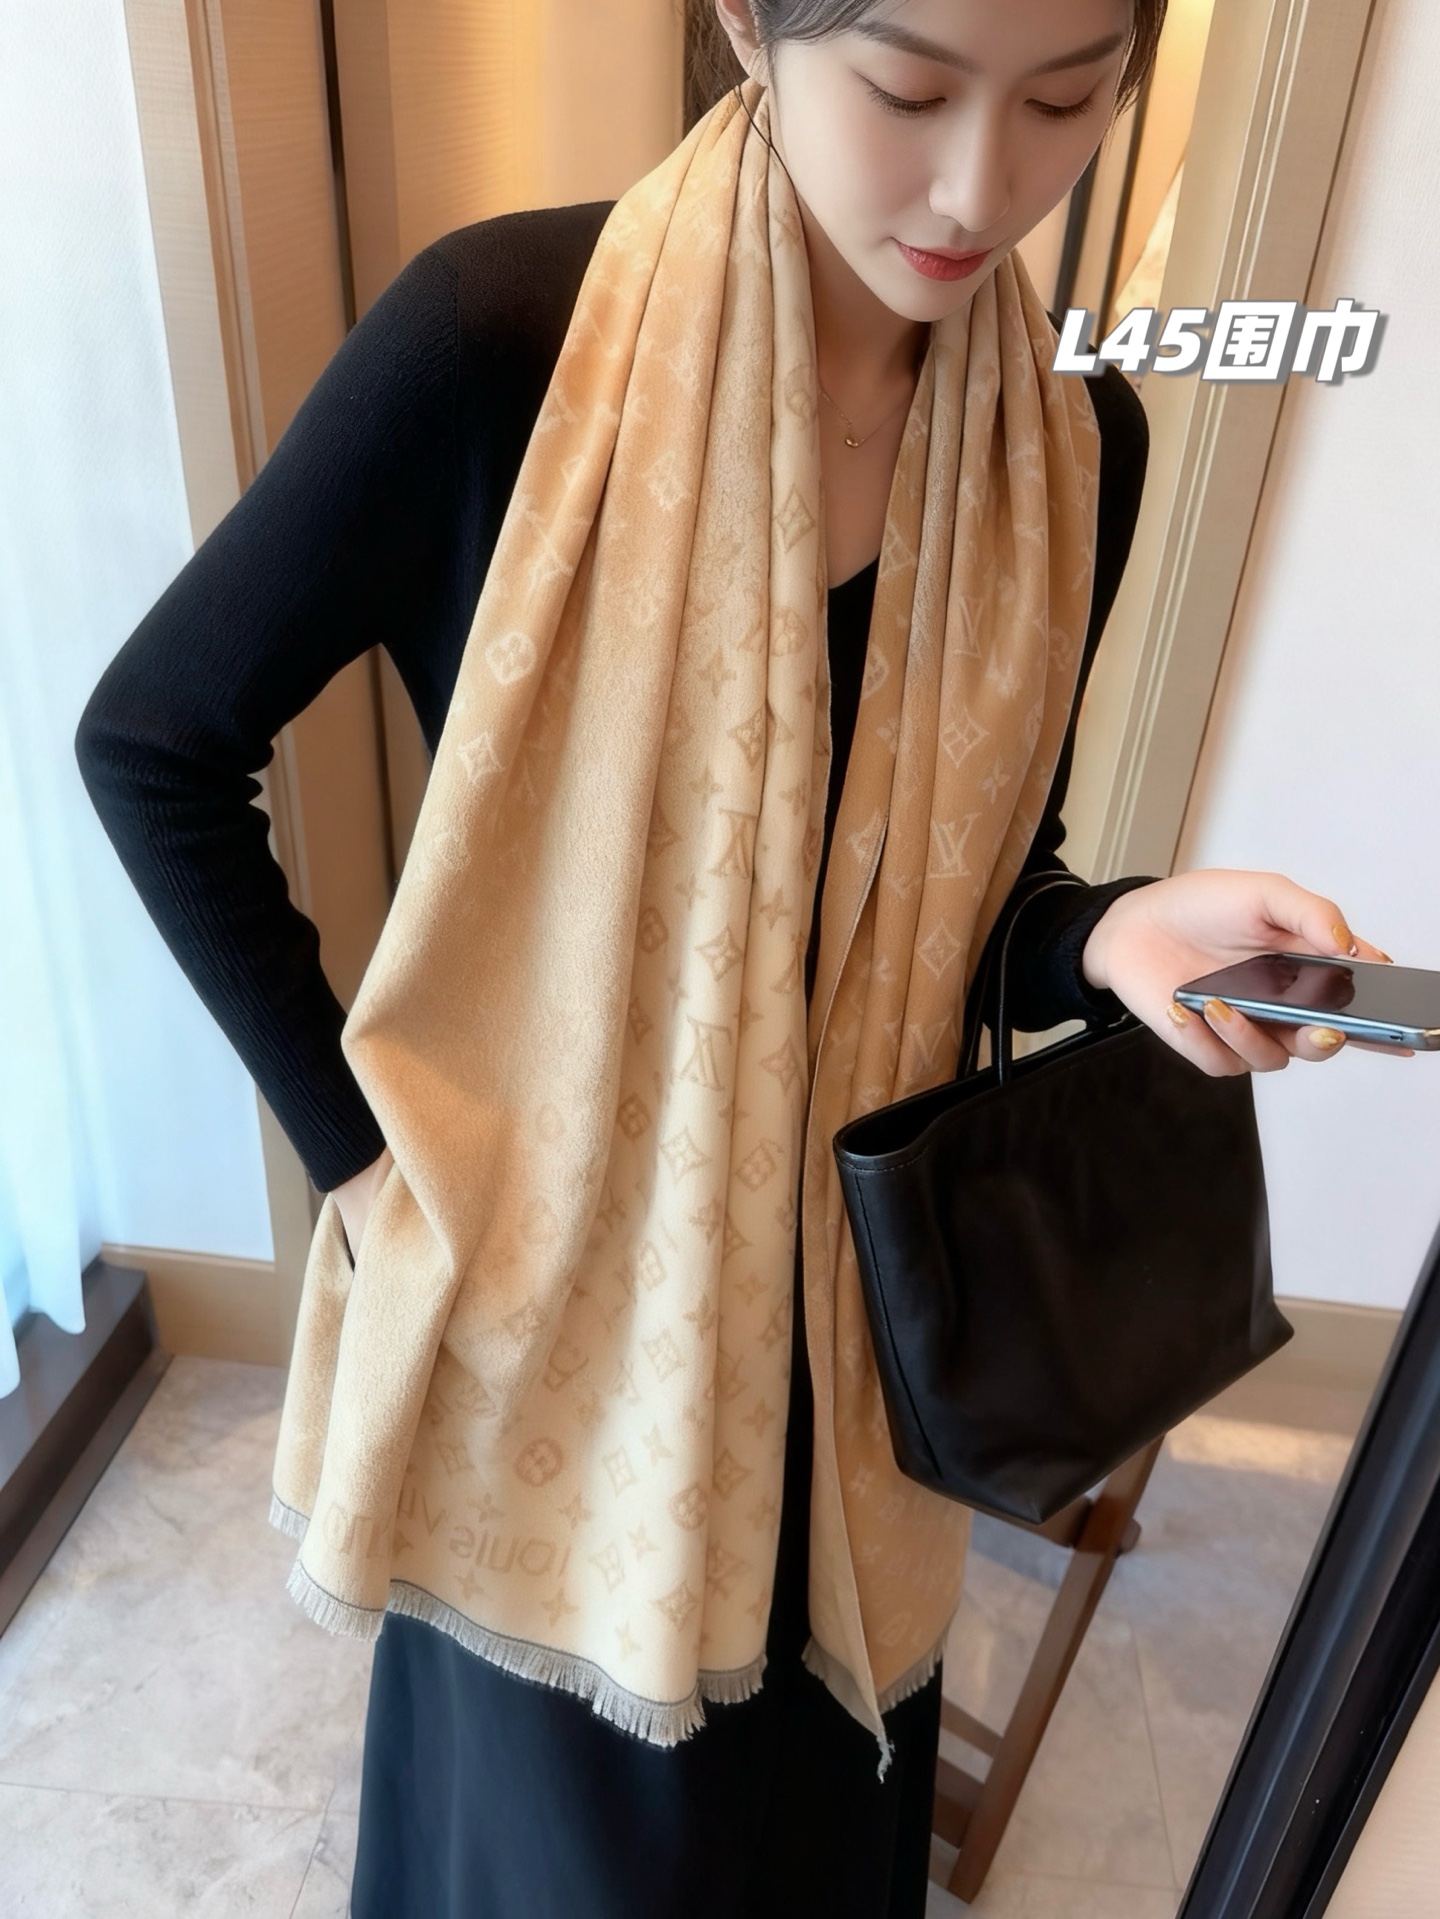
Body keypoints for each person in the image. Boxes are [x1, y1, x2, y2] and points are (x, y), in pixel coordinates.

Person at [75, 2, 1389, 1914]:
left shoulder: (1069, 450)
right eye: (912, 89)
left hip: (862, 1366)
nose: (980, 189)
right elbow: (154, 748)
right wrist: (369, 1172)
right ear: (749, 26)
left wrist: (1106, 933)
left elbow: (957, 905)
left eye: (1065, 100)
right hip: (560, 1347)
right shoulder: (496, 344)